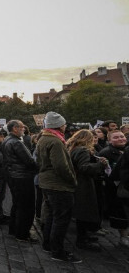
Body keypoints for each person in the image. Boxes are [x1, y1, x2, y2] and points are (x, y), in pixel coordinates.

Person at [36, 112, 80, 262]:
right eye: (64, 124)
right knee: (61, 218)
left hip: (47, 182)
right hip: (57, 184)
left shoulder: (44, 138)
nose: (65, 126)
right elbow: (61, 166)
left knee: (52, 216)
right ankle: (58, 251)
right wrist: (72, 180)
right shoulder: (55, 141)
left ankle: (48, 244)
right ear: (58, 125)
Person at [68, 130, 107, 252]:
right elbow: (84, 167)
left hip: (77, 183)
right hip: (83, 184)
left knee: (81, 211)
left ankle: (84, 236)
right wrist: (100, 165)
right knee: (84, 211)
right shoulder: (83, 150)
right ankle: (82, 239)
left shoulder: (73, 149)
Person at [3, 119, 39, 243]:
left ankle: (14, 229)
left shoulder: (7, 140)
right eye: (22, 127)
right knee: (26, 207)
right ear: (15, 128)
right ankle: (22, 233)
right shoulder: (16, 142)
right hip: (22, 177)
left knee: (17, 204)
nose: (23, 129)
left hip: (14, 176)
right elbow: (29, 160)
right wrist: (37, 167)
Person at [99, 130, 129, 246]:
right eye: (116, 137)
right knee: (120, 214)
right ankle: (123, 236)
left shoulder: (125, 149)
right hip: (116, 188)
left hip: (123, 186)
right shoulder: (105, 152)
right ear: (109, 140)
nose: (120, 139)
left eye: (122, 136)